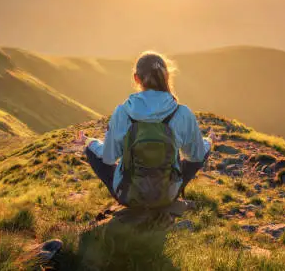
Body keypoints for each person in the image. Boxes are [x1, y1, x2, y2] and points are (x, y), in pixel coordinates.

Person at [76, 51, 215, 208]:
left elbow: (108, 158)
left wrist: (90, 142)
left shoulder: (122, 112)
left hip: (128, 196)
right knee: (200, 152)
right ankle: (170, 189)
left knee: (92, 152)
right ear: (167, 77)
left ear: (136, 78)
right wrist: (208, 141)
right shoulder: (182, 113)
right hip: (167, 195)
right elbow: (196, 156)